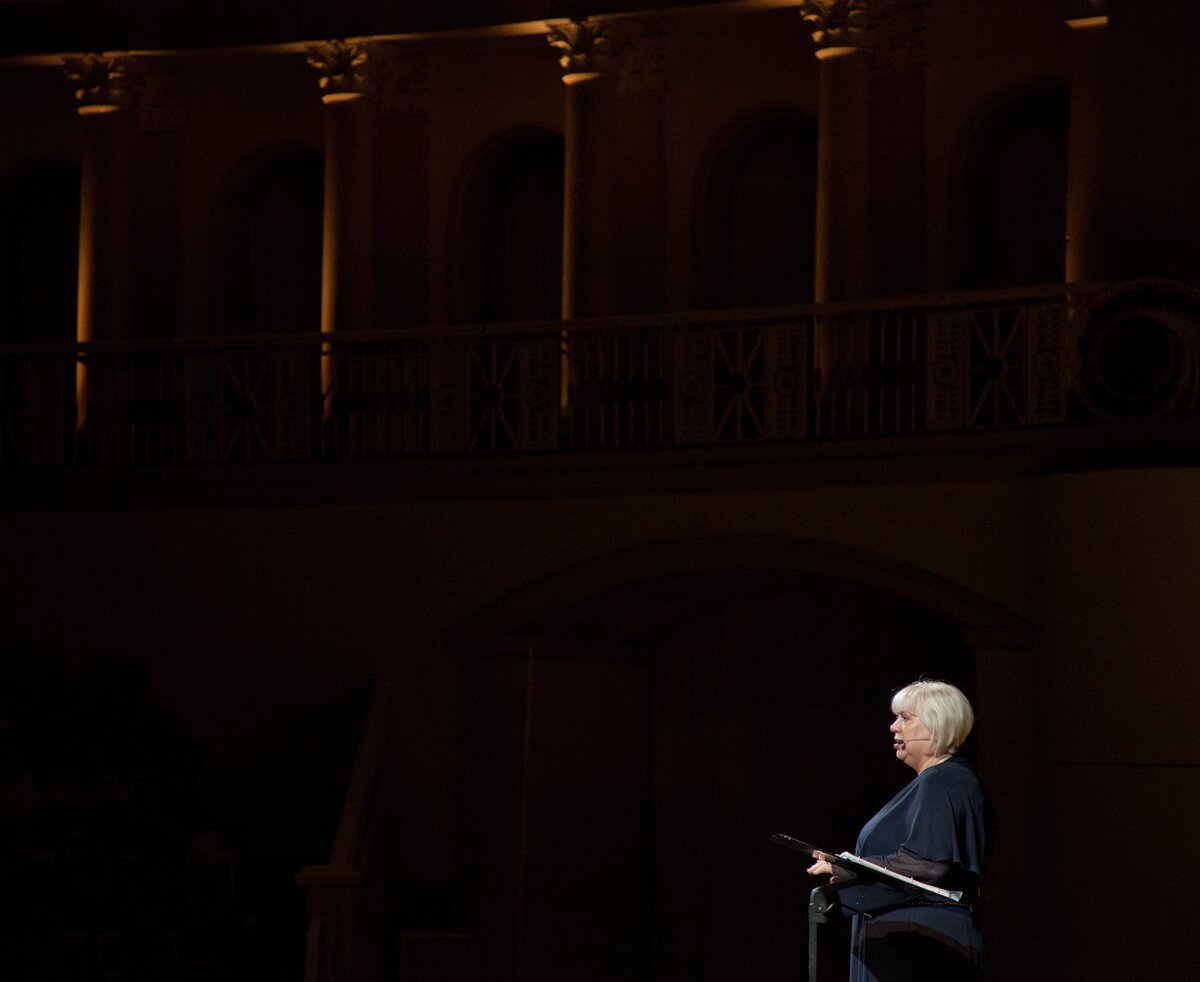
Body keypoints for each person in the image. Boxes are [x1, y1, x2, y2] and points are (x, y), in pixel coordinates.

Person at [807, 679, 993, 982]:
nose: (894, 727)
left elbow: (929, 864)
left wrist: (850, 866)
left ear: (937, 724)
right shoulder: (944, 781)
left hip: (920, 943)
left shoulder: (943, 781)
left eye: (905, 718)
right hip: (913, 937)